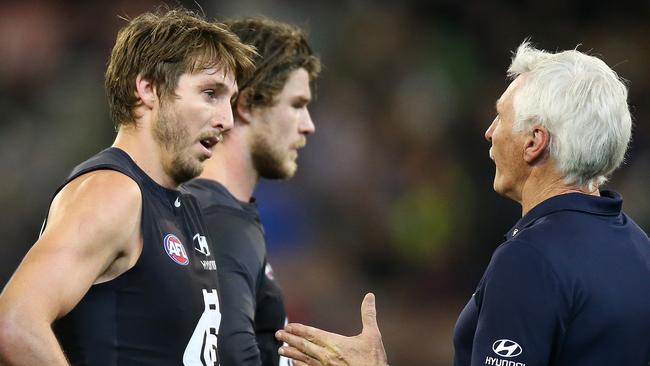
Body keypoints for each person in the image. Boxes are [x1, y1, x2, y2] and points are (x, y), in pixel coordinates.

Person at [275, 41, 650, 366]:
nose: (489, 132)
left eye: (501, 117)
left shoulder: (530, 260)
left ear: (534, 142)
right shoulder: (639, 248)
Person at [0, 8, 255, 366]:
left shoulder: (182, 209)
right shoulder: (113, 192)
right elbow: (15, 324)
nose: (226, 121)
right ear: (148, 89)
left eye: (230, 101)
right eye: (210, 93)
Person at [182, 17, 321, 366]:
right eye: (296, 105)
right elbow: (228, 351)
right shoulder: (221, 220)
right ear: (245, 105)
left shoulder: (208, 209)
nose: (308, 125)